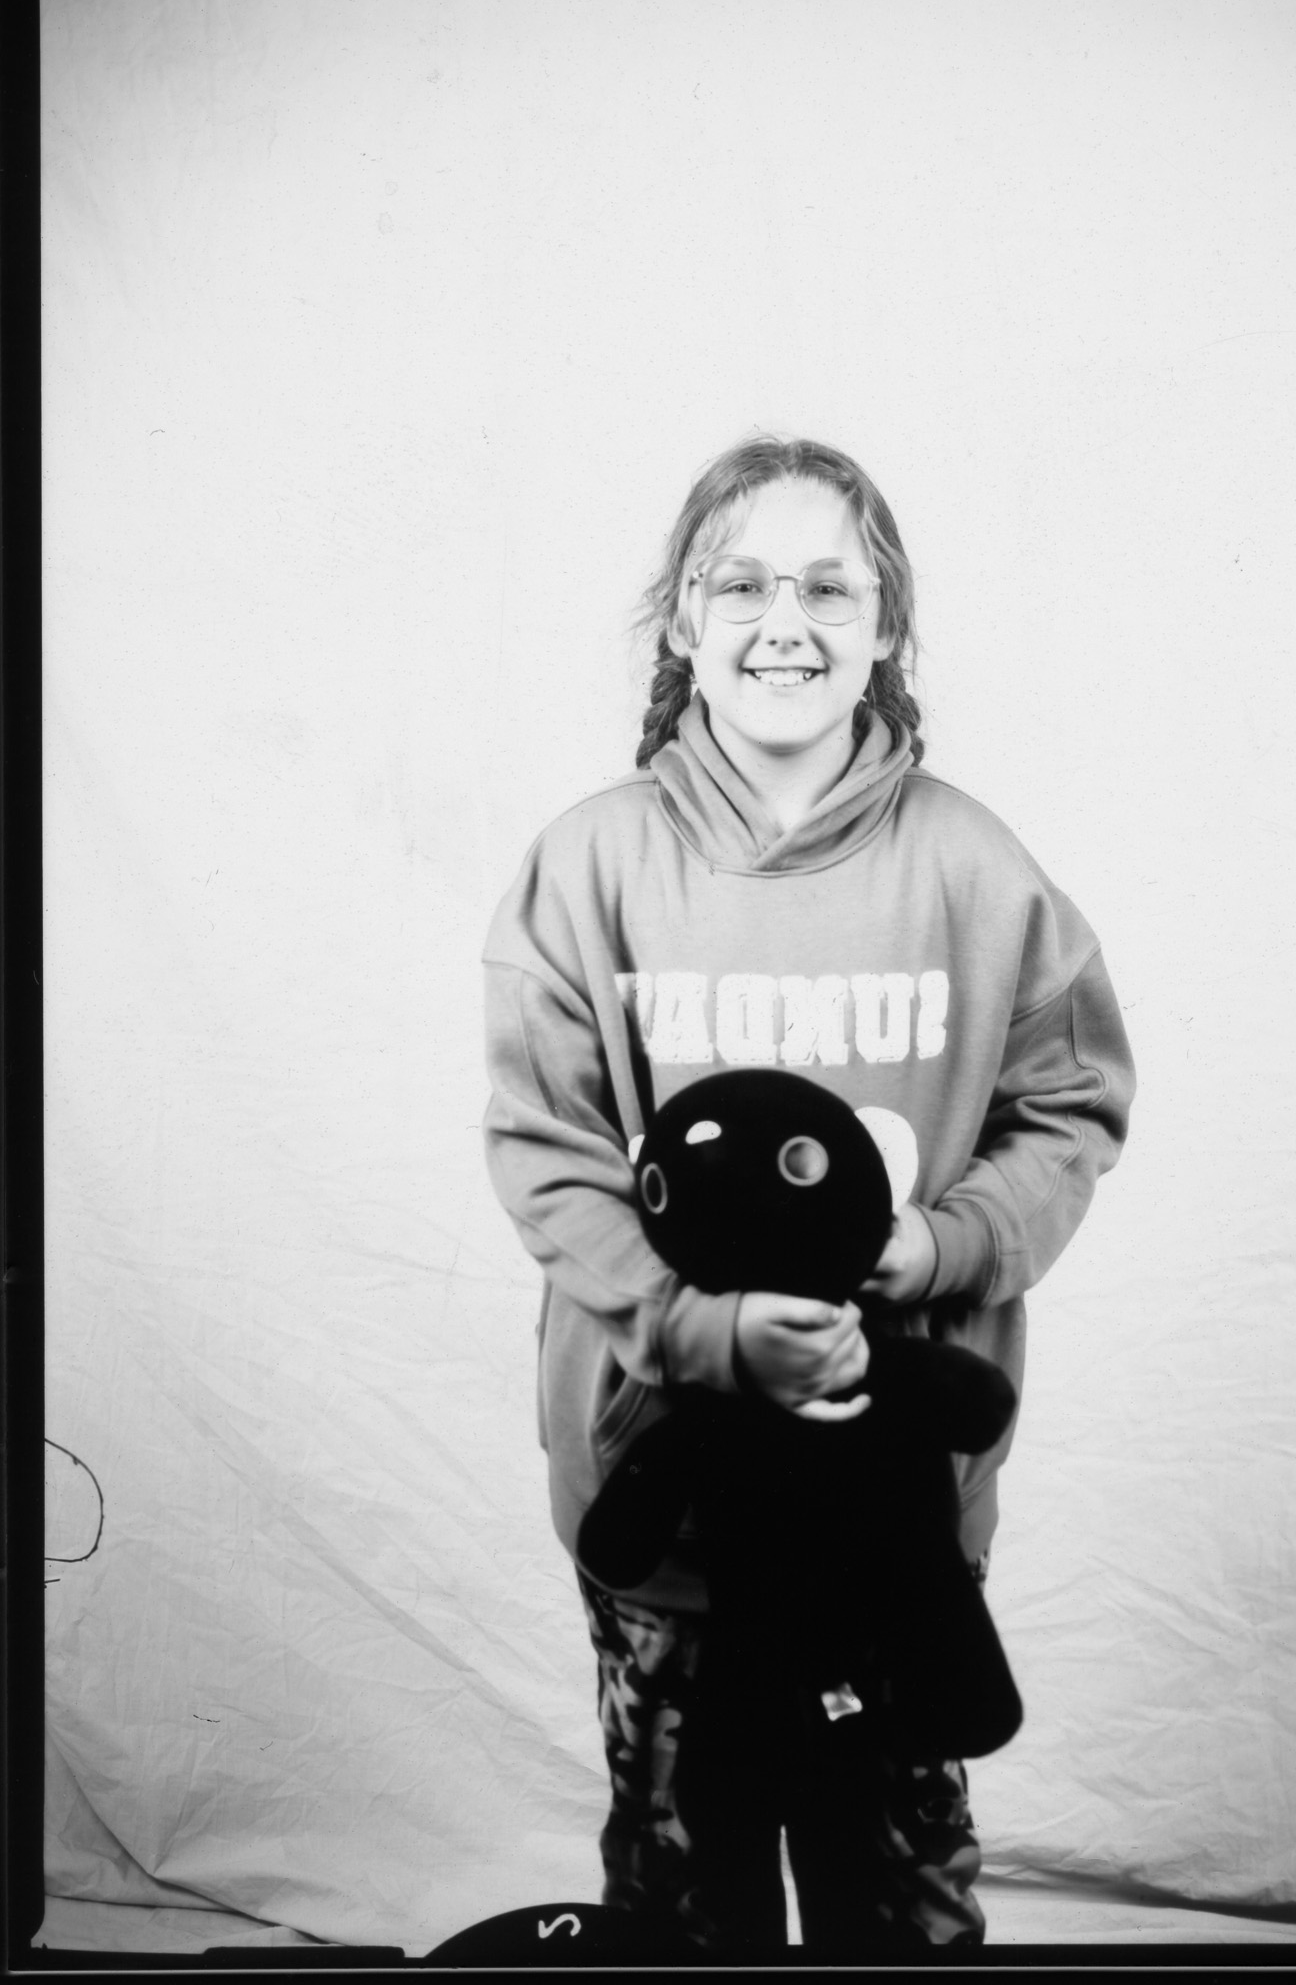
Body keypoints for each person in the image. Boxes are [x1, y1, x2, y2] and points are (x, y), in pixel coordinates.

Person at [482, 435, 1136, 1952]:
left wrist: (939, 1246)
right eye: (743, 585)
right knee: (683, 1900)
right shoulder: (588, 868)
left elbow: (1072, 1104)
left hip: (889, 1515)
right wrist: (703, 1333)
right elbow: (548, 1153)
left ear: (886, 623)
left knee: (893, 1903)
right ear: (681, 618)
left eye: (830, 589)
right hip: (665, 1501)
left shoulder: (977, 870)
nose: (786, 623)